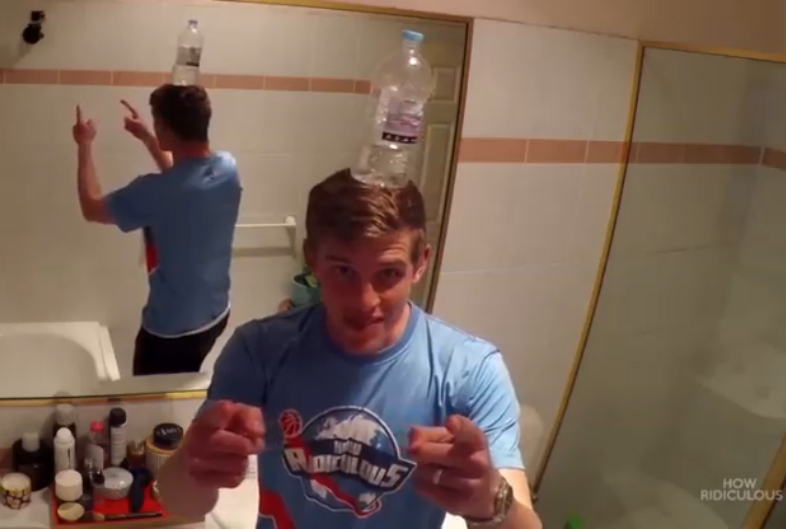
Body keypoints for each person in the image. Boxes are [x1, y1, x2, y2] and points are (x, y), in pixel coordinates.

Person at [158, 169, 542, 528]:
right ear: (312, 259)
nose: (364, 301)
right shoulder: (259, 350)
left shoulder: (470, 370)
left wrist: (489, 500)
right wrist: (193, 463)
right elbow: (184, 505)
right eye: (343, 270)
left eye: (388, 273)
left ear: (420, 263)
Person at [71, 84, 241, 376]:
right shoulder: (227, 168)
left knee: (149, 399)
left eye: (157, 122)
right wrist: (149, 139)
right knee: (183, 381)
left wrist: (84, 144)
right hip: (215, 314)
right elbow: (182, 184)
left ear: (165, 126)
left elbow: (91, 207)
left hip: (170, 332)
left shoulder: (153, 192)